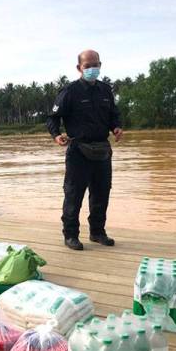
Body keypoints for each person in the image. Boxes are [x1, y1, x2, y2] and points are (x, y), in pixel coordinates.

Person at [46, 50, 123, 251]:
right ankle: (71, 235)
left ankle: (97, 232)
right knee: (73, 194)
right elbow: (52, 118)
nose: (91, 69)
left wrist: (116, 127)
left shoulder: (106, 90)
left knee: (101, 193)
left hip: (102, 150)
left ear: (100, 65)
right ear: (79, 68)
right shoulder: (69, 91)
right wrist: (56, 135)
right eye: (87, 65)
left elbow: (114, 114)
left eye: (95, 65)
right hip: (78, 151)